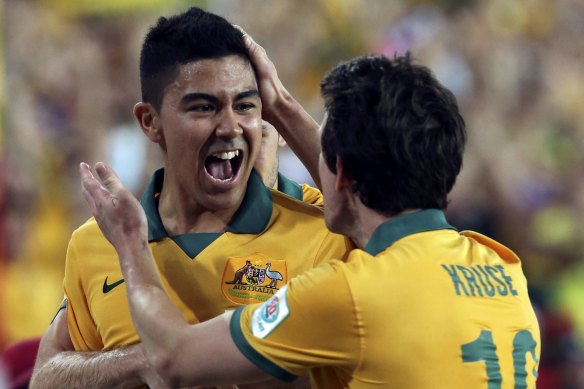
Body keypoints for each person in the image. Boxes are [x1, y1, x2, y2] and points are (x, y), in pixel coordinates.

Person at [78, 31, 541, 388]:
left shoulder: (347, 294)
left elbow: (173, 360)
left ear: (339, 176)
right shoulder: (503, 267)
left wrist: (131, 246)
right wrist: (276, 104)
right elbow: (365, 207)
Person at [30, 7, 351, 389]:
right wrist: (138, 361)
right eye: (204, 107)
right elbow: (46, 378)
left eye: (246, 105)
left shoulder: (320, 232)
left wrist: (281, 103)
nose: (231, 126)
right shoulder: (98, 241)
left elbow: (386, 222)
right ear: (150, 121)